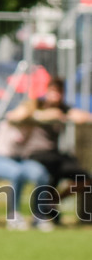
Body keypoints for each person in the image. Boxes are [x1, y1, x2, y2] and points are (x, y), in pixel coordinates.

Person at [5, 77, 92, 228]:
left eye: (59, 92)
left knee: (84, 178)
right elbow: (14, 116)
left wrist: (65, 116)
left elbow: (82, 115)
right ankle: (38, 215)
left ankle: (51, 202)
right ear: (46, 91)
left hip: (54, 155)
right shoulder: (36, 104)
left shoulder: (63, 109)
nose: (55, 96)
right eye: (52, 91)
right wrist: (41, 115)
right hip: (35, 154)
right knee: (43, 175)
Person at [0, 115, 53, 229]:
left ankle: (38, 216)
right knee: (18, 173)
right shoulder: (10, 123)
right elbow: (16, 114)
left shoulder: (34, 129)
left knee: (42, 174)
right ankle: (14, 215)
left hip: (20, 161)